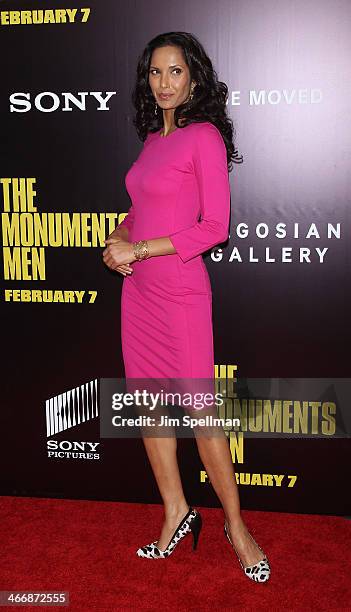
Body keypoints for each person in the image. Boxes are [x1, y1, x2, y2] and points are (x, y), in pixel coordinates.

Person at [102, 31, 270, 583]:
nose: (164, 82)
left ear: (194, 76)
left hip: (179, 293)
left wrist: (142, 248)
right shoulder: (153, 140)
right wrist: (118, 239)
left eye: (175, 71)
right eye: (155, 72)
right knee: (149, 406)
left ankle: (236, 526)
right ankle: (175, 511)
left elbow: (214, 228)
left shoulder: (204, 137)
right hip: (139, 294)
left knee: (202, 414)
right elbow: (138, 209)